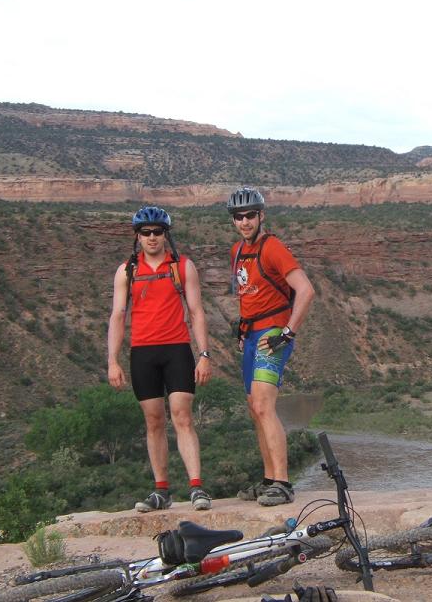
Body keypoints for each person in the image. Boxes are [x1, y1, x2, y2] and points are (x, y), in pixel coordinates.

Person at [107, 206, 213, 512]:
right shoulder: (128, 270)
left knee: (182, 416)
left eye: (158, 232)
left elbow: (196, 312)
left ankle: (196, 487)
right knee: (153, 421)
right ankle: (161, 490)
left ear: (166, 234)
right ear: (138, 236)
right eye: (146, 233)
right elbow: (117, 315)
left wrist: (204, 354)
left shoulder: (182, 266)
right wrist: (112, 360)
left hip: (177, 348)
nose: (152, 238)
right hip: (142, 352)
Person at [227, 187, 315, 506]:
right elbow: (250, 293)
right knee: (255, 410)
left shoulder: (273, 247)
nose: (245, 221)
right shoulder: (237, 250)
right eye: (239, 216)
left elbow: (306, 290)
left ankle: (283, 482)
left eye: (251, 215)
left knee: (264, 405)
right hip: (251, 335)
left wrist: (288, 332)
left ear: (261, 215)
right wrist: (242, 327)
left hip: (273, 334)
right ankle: (268, 480)